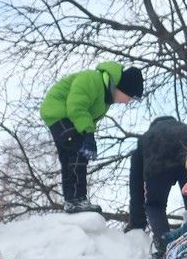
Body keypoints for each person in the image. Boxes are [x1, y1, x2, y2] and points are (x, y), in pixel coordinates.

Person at [40, 62, 144, 213]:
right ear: (122, 88)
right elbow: (76, 106)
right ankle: (77, 199)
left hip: (69, 117)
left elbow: (89, 119)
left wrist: (89, 137)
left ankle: (72, 200)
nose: (128, 102)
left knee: (70, 157)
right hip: (59, 112)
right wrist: (87, 134)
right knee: (77, 151)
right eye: (130, 97)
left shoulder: (105, 100)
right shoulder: (92, 80)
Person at [126, 116, 187, 259]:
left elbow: (136, 185)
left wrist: (137, 221)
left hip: (157, 164)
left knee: (155, 205)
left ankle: (165, 246)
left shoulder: (146, 137)